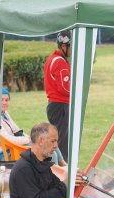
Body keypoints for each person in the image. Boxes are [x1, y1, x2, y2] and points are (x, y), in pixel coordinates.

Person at [44, 30, 71, 162]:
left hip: (54, 105)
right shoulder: (60, 62)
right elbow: (65, 88)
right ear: (64, 46)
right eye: (71, 47)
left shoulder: (51, 59)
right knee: (62, 144)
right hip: (61, 106)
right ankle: (64, 173)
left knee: (58, 142)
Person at [0, 88, 31, 160]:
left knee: (45, 148)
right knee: (42, 151)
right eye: (1, 100)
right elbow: (7, 140)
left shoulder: (4, 113)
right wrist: (28, 139)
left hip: (13, 148)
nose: (4, 102)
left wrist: (31, 137)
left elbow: (17, 130)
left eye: (6, 100)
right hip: (5, 154)